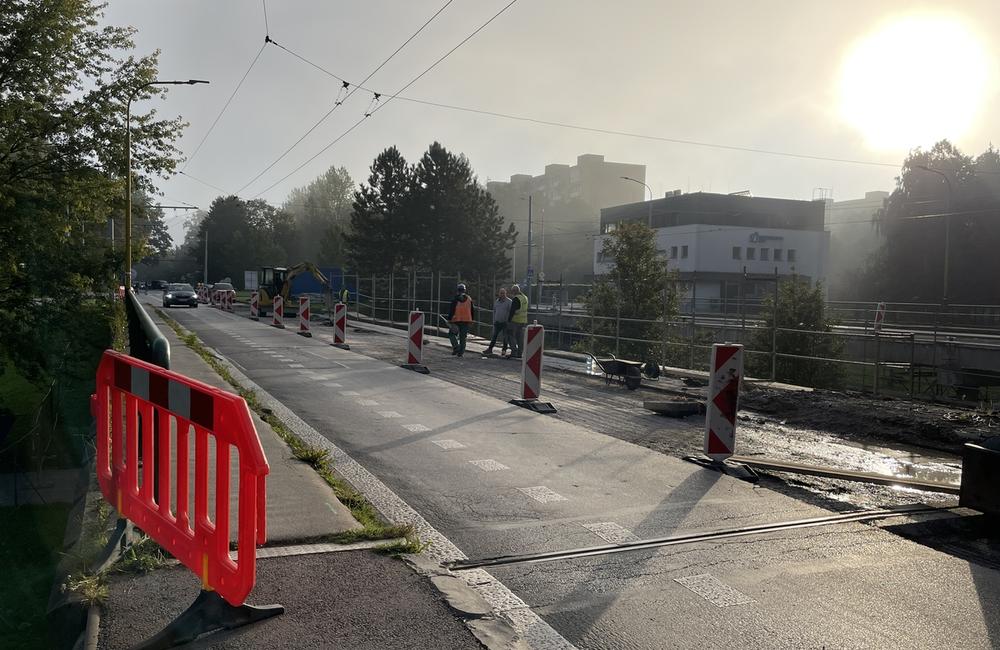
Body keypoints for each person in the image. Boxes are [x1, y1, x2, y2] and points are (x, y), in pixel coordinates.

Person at [483, 287, 512, 356]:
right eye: (501, 293)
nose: (502, 294)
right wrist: (494, 320)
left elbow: (511, 312)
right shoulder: (496, 302)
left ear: (506, 293)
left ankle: (504, 350)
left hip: (505, 322)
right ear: (499, 294)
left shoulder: (509, 302)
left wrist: (509, 321)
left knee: (505, 337)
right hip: (497, 322)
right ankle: (490, 349)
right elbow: (494, 311)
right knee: (494, 336)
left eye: (503, 293)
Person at [447, 283, 474, 357]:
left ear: (458, 290)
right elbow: (472, 310)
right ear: (464, 290)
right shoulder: (469, 299)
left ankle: (456, 347)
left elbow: (452, 310)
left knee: (451, 334)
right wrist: (472, 319)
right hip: (466, 320)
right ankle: (461, 352)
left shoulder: (455, 299)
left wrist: (449, 319)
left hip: (456, 320)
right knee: (463, 337)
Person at [507, 283, 528, 359]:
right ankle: (520, 353)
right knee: (520, 337)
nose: (512, 293)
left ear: (515, 291)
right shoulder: (525, 297)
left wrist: (509, 320)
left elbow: (512, 311)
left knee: (510, 335)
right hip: (523, 321)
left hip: (515, 320)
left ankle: (514, 352)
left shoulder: (516, 298)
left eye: (512, 291)